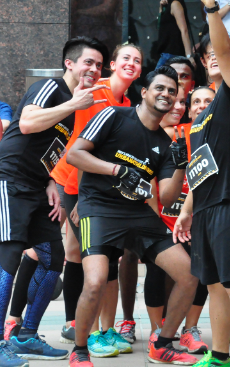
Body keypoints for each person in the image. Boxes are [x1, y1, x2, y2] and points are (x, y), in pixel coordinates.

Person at [0, 36, 110, 367]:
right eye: (88, 62)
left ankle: (26, 336)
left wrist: (51, 180)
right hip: (8, 180)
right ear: (70, 63)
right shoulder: (51, 88)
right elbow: (27, 123)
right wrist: (72, 105)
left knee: (53, 258)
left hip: (37, 186)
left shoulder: (72, 105)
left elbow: (49, 148)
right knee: (10, 256)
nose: (94, 69)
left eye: (98, 65)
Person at [67, 67, 200, 367]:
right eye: (160, 88)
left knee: (189, 274)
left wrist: (181, 165)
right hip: (98, 208)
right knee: (95, 281)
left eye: (172, 91)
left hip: (138, 213)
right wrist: (117, 170)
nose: (166, 94)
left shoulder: (166, 144)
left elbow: (167, 199)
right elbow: (75, 154)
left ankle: (162, 345)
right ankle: (79, 351)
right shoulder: (113, 115)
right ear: (144, 92)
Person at [174, 0, 230, 367]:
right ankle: (221, 356)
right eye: (206, 53)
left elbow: (224, 50)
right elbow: (200, 168)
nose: (212, 55)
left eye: (219, 53)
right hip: (206, 207)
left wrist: (211, 7)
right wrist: (187, 209)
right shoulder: (201, 117)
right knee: (214, 287)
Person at [49, 44, 143, 357]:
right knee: (88, 258)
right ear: (113, 64)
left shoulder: (127, 102)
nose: (131, 64)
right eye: (125, 58)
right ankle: (83, 331)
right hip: (74, 183)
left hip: (99, 190)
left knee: (85, 255)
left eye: (137, 60)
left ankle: (98, 329)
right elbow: (79, 147)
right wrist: (79, 200)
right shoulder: (94, 90)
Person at [144, 87, 211, 355]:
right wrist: (154, 220)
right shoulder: (173, 135)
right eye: (196, 102)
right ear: (189, 110)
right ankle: (156, 329)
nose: (201, 106)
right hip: (164, 219)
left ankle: (189, 330)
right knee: (156, 271)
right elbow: (151, 178)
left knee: (200, 270)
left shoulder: (217, 137)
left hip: (199, 220)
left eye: (208, 101)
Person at [155, 0, 194, 68]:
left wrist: (189, 56)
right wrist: (161, 9)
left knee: (156, 77)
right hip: (168, 53)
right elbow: (162, 29)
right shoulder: (169, 3)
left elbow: (184, 30)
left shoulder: (175, 3)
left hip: (172, 54)